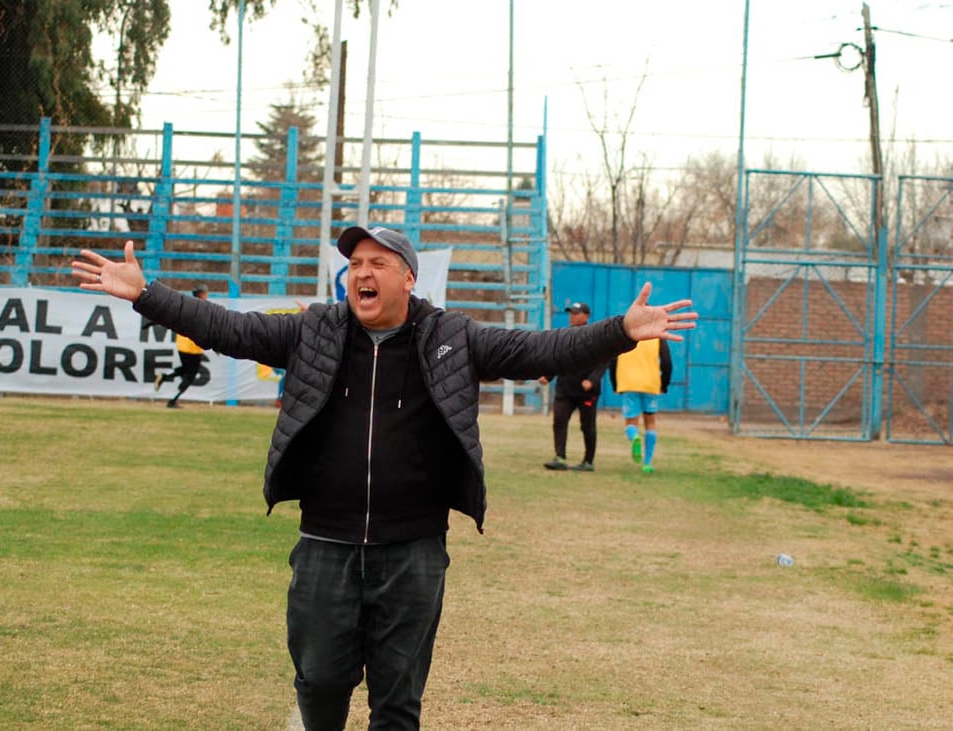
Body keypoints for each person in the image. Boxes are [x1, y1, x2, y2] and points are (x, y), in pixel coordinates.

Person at [71, 226, 697, 730]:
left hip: (414, 551)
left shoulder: (452, 337)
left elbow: (539, 349)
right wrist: (147, 293)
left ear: (406, 276)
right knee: (318, 685)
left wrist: (618, 333)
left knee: (398, 704)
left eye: (376, 262)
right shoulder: (314, 330)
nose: (361, 273)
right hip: (324, 544)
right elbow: (231, 329)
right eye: (354, 263)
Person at [539, 301, 608, 472]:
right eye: (571, 313)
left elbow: (605, 360)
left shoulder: (595, 335)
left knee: (587, 425)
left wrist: (592, 380)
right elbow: (558, 358)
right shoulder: (564, 334)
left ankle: (588, 461)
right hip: (565, 388)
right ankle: (560, 457)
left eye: (576, 313)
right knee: (559, 421)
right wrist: (548, 376)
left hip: (586, 391)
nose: (572, 316)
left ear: (586, 316)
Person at [608, 337, 672, 474]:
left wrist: (615, 383)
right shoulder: (657, 337)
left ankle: (635, 437)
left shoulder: (625, 334)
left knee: (631, 422)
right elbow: (667, 362)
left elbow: (613, 360)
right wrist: (664, 384)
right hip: (650, 384)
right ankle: (647, 463)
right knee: (650, 423)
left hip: (628, 383)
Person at [152, 286, 210, 408]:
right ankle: (173, 400)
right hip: (193, 347)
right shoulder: (203, 308)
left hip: (182, 344)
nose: (207, 295)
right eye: (205, 293)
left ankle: (165, 376)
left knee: (186, 369)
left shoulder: (187, 304)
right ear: (201, 294)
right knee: (190, 375)